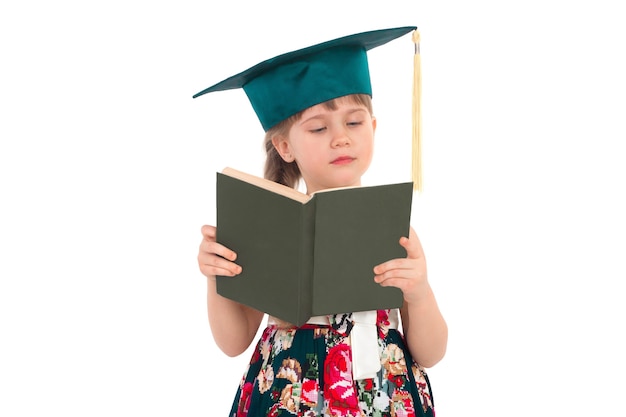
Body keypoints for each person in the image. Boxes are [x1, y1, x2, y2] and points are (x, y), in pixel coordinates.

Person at [195, 26, 447, 417]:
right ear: (284, 146)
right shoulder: (268, 227)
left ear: (374, 128)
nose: (341, 138)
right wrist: (216, 276)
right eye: (318, 127)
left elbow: (431, 352)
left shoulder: (392, 225)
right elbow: (233, 341)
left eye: (354, 122)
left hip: (380, 394)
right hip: (288, 394)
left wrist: (419, 291)